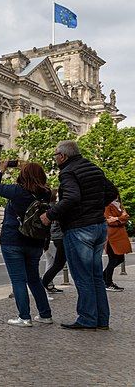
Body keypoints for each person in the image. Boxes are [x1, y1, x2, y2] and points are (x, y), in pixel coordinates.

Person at [41, 140, 117, 330]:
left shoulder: (68, 172)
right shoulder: (94, 168)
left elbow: (72, 197)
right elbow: (112, 192)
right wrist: (95, 206)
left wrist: (50, 215)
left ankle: (87, 319)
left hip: (79, 228)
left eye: (56, 155)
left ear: (63, 156)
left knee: (83, 276)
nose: (55, 159)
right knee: (96, 276)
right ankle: (102, 320)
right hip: (99, 226)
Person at [0, 160, 53, 327]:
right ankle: (45, 314)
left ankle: (24, 317)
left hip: (13, 240)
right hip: (35, 241)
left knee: (18, 279)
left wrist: (0, 170)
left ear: (23, 175)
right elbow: (37, 176)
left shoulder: (17, 191)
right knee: (34, 279)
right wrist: (28, 166)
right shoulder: (46, 193)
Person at [103, 188, 131, 292]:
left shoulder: (118, 204)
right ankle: (108, 282)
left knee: (120, 258)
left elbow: (126, 216)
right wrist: (121, 218)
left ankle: (103, 276)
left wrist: (117, 218)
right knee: (113, 259)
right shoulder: (107, 205)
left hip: (120, 235)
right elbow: (109, 221)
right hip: (112, 236)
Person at [42, 217, 67, 294]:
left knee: (51, 263)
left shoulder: (48, 207)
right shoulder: (57, 207)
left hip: (48, 238)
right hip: (57, 237)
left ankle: (48, 285)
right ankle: (44, 283)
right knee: (58, 264)